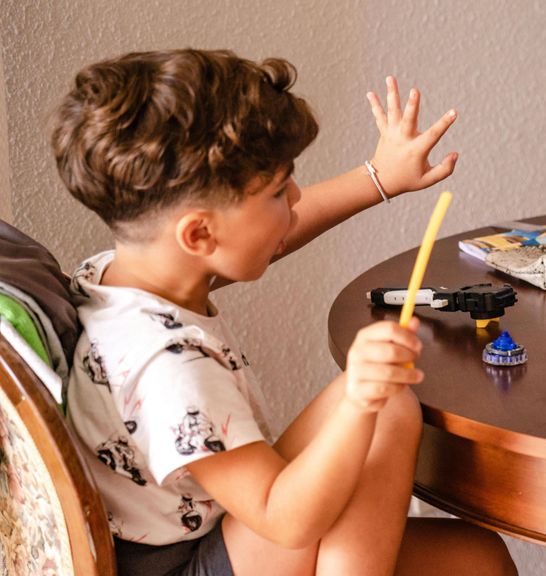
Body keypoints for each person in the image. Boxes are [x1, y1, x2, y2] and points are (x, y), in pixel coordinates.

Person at [52, 48, 517, 576]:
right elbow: (283, 516)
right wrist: (359, 404)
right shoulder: (168, 370)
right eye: (278, 191)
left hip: (214, 534)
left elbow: (271, 236)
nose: (294, 196)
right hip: (190, 562)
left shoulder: (132, 274)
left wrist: (379, 177)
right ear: (200, 233)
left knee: (478, 558)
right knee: (384, 409)